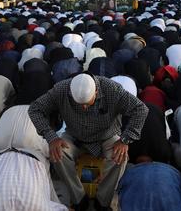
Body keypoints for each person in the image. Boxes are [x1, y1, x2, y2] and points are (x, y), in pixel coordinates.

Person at [28, 73, 148, 211]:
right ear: (70, 93)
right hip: (75, 136)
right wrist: (52, 137)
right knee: (57, 153)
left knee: (120, 157)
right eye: (79, 104)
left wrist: (125, 140)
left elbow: (141, 109)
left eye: (87, 103)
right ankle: (78, 198)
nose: (84, 108)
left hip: (107, 136)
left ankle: (103, 201)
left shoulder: (112, 89)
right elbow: (35, 109)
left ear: (96, 91)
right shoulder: (61, 89)